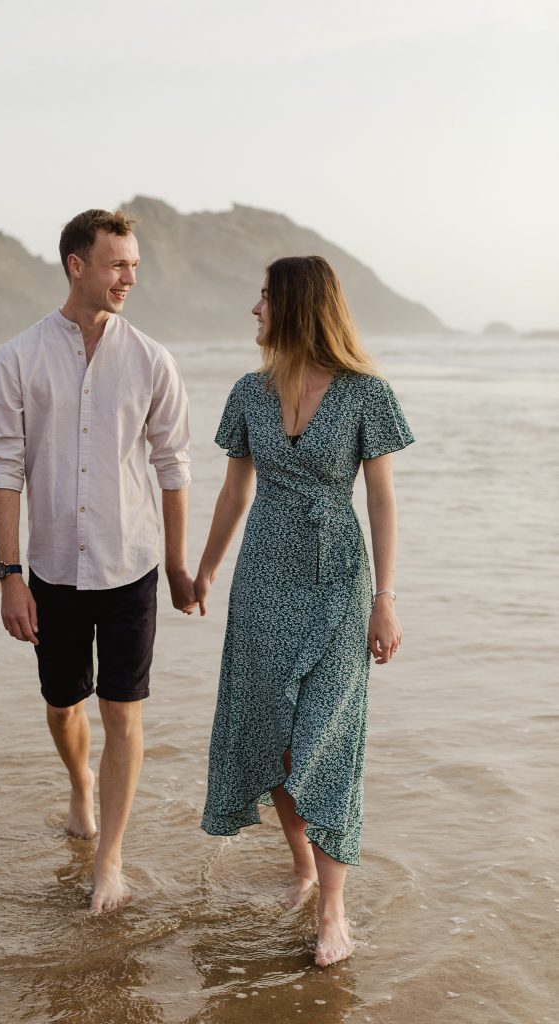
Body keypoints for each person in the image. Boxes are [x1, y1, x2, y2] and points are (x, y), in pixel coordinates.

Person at [194, 255, 415, 966]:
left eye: (263, 299)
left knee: (329, 740)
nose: (254, 310)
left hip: (338, 584)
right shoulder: (247, 394)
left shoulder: (365, 395)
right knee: (276, 737)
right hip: (261, 580)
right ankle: (300, 866)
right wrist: (203, 568)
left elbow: (380, 499)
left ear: (293, 305)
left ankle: (334, 911)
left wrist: (385, 599)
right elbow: (233, 493)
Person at [0, 209, 196, 914]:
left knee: (123, 713)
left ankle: (110, 861)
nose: (129, 277)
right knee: (62, 701)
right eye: (117, 264)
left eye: (133, 264)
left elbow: (172, 467)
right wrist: (11, 575)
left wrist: (175, 563)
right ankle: (80, 787)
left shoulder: (151, 359)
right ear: (78, 265)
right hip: (50, 568)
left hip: (129, 565)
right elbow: (5, 470)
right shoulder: (18, 358)